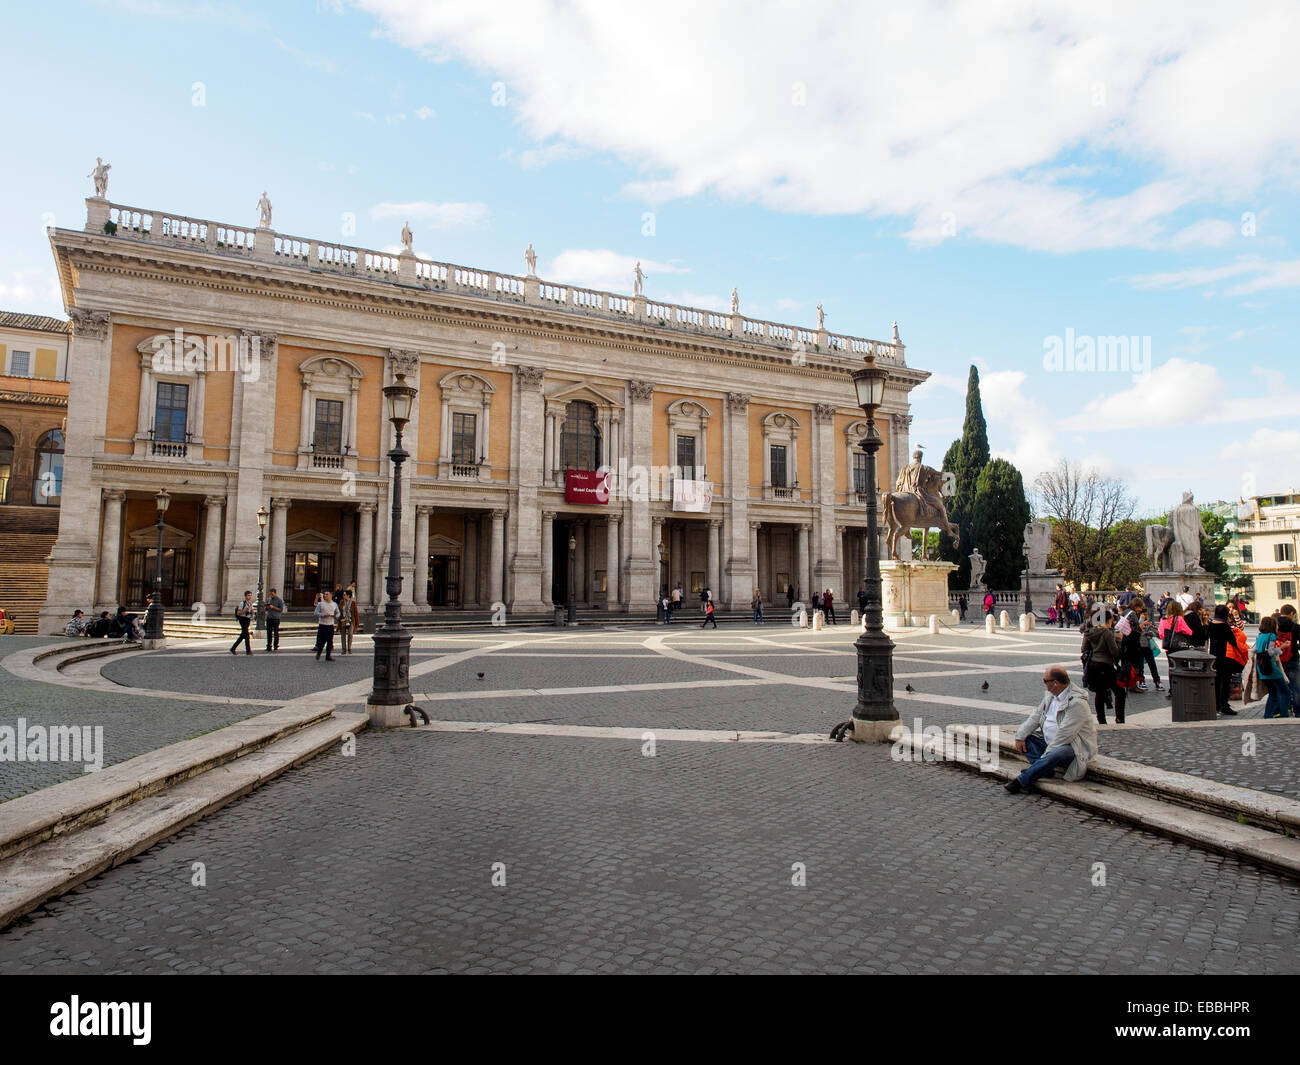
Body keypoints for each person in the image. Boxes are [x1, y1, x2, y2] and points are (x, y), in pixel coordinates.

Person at [1004, 665, 1098, 793]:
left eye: (1045, 681)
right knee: (1027, 740)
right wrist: (1020, 736)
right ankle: (1043, 768)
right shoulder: (1050, 696)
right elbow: (1035, 717)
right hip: (1049, 743)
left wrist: (1045, 756)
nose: (1044, 683)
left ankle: (1021, 781)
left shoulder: (1077, 703)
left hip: (1074, 747)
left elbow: (1065, 735)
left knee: (1056, 753)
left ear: (1055, 683)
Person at [1082, 609, 1126, 724]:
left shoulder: (1089, 632)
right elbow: (1114, 652)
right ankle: (1120, 718)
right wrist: (1119, 640)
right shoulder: (1107, 633)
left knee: (1099, 692)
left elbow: (1083, 649)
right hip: (1105, 665)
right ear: (1108, 620)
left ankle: (1101, 719)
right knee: (1120, 692)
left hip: (1093, 665)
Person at [1254, 615, 1293, 718]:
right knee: (1286, 692)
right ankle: (1284, 714)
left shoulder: (1260, 635)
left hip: (1261, 666)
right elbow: (1271, 652)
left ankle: (1268, 715)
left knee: (1273, 693)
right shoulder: (1271, 636)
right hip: (1271, 668)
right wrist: (1282, 647)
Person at [1207, 605, 1240, 716]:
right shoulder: (1224, 626)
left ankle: (1215, 704)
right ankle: (1224, 705)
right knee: (1225, 681)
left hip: (1213, 655)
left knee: (1215, 681)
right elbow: (1233, 641)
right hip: (1224, 656)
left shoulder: (1211, 624)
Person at [1132, 601, 1163, 691]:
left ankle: (1157, 681)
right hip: (1139, 646)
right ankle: (1142, 681)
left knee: (1152, 664)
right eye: (1143, 614)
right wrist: (1141, 621)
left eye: (1145, 615)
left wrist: (1152, 632)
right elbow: (1136, 630)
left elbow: (1157, 633)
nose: (1145, 616)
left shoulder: (1147, 623)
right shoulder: (1137, 622)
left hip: (1147, 646)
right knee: (1140, 665)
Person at [1277, 604, 1300, 708]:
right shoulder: (1295, 627)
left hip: (1276, 659)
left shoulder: (1274, 624)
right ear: (1291, 613)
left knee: (1279, 686)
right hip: (1292, 659)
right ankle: (1298, 710)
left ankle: (1280, 709)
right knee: (1296, 686)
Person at [314, 590, 338, 661]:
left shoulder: (334, 604)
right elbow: (315, 613)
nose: (325, 595)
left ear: (331, 595)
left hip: (330, 624)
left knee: (330, 641)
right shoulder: (321, 604)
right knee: (322, 641)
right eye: (324, 594)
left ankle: (328, 656)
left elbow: (338, 612)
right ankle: (319, 653)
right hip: (322, 624)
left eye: (327, 594)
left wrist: (336, 616)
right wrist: (323, 615)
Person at [230, 590, 254, 655]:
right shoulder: (242, 603)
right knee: (246, 635)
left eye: (250, 595)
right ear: (245, 596)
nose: (250, 597)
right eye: (248, 595)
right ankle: (248, 651)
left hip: (247, 619)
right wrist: (244, 610)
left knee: (243, 635)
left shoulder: (250, 603)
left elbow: (251, 612)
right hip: (242, 619)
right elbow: (238, 613)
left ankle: (233, 648)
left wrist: (252, 612)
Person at [338, 589, 359, 654]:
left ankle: (349, 648)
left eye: (344, 594)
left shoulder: (353, 603)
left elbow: (356, 613)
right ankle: (343, 649)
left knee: (350, 634)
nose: (343, 596)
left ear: (348, 595)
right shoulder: (341, 602)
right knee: (343, 635)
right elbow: (339, 611)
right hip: (343, 620)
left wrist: (357, 623)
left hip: (351, 620)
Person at [265, 588, 284, 652]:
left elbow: (280, 609)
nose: (271, 595)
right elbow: (266, 609)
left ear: (275, 593)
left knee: (276, 632)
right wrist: (266, 607)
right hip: (269, 617)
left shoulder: (279, 600)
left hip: (276, 618)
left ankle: (275, 645)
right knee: (269, 632)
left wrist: (273, 607)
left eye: (272, 594)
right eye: (270, 594)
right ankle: (268, 646)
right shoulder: (268, 599)